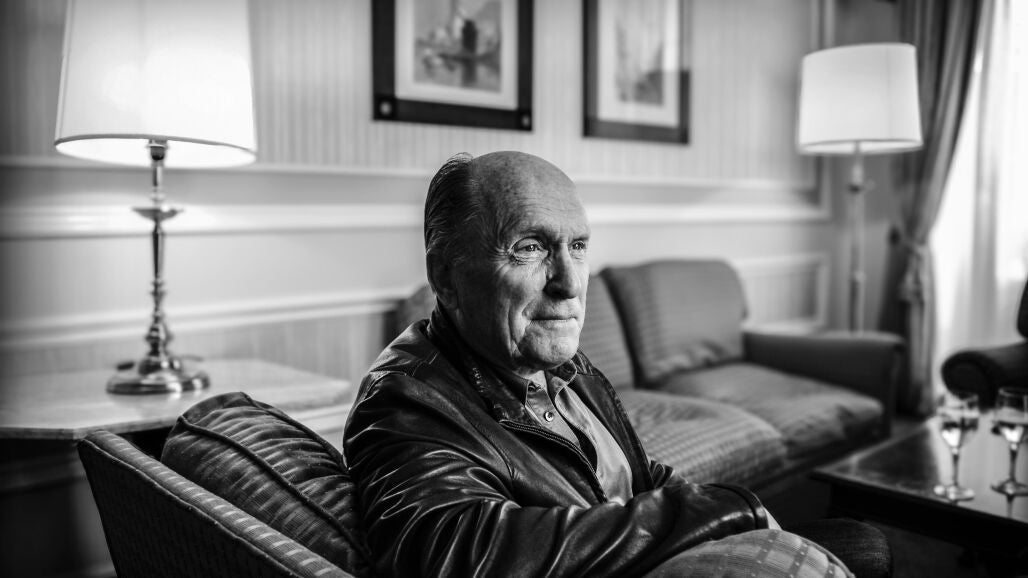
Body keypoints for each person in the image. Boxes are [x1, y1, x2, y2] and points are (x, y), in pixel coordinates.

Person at [343, 151, 890, 577]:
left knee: (861, 542)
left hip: (646, 559)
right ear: (445, 276)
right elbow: (454, 555)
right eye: (530, 247)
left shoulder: (562, 366)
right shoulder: (407, 400)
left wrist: (712, 514)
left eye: (578, 246)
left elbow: (642, 475)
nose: (569, 282)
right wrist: (718, 513)